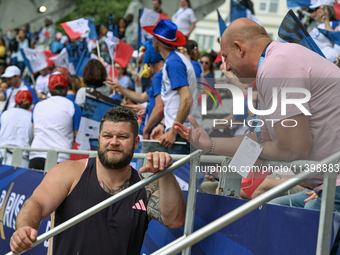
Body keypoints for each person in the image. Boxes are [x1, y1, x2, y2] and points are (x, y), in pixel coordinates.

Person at [175, 18, 340, 209]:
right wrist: (210, 144)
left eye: (226, 57)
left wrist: (241, 172)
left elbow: (293, 148)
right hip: (327, 183)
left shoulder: (276, 66)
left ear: (240, 48)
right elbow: (259, 139)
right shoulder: (273, 64)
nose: (226, 67)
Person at [9, 106, 186, 255]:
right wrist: (24, 228)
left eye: (123, 137)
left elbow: (176, 220)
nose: (114, 142)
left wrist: (166, 173)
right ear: (99, 139)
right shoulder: (70, 172)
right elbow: (36, 203)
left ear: (136, 142)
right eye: (108, 136)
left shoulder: (145, 187)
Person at [143, 19, 202, 154]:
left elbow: (187, 99)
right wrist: (164, 124)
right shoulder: (175, 59)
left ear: (156, 41)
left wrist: (173, 132)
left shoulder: (174, 63)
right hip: (181, 131)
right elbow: (174, 101)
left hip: (181, 134)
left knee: (175, 175)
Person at [106, 39, 164, 152]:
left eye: (143, 63)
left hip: (152, 133)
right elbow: (142, 97)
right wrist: (120, 88)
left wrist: (146, 129)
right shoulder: (161, 76)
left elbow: (160, 107)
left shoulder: (158, 77)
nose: (143, 67)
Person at [29, 73, 81, 170]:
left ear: (49, 89)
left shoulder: (38, 106)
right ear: (66, 88)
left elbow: (34, 133)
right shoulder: (73, 106)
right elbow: (78, 136)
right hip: (61, 157)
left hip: (36, 153)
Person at [0, 90, 33, 167]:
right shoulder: (32, 116)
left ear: (16, 101)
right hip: (23, 158)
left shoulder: (5, 113)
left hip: (3, 154)